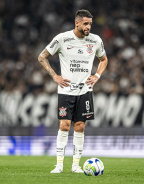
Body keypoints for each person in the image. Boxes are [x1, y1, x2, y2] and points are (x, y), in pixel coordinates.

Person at [38, 9, 108, 173]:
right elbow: (42, 56)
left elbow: (104, 59)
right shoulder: (63, 38)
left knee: (80, 127)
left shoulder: (95, 41)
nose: (88, 27)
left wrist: (97, 75)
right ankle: (59, 165)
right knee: (64, 125)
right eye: (85, 24)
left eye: (90, 24)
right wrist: (55, 76)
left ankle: (76, 165)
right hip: (66, 91)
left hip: (85, 91)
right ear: (77, 23)